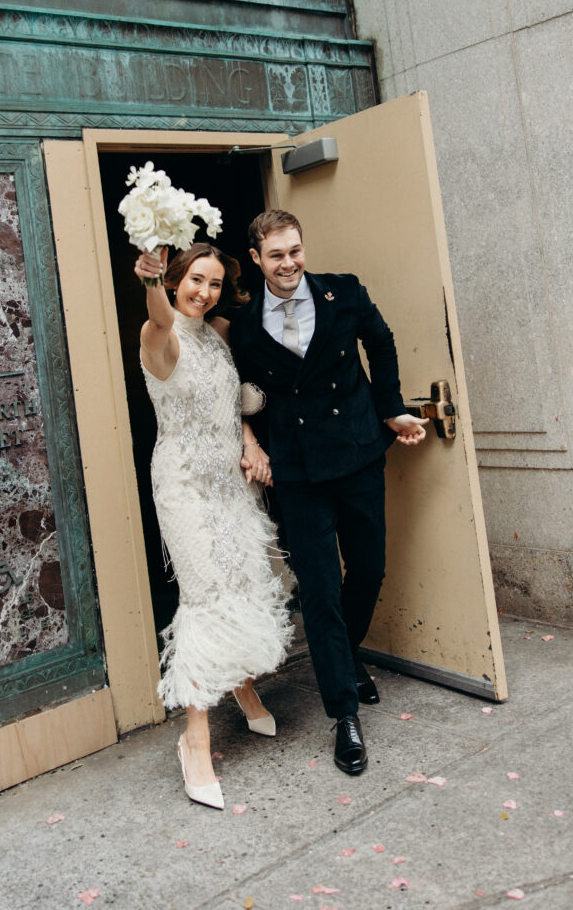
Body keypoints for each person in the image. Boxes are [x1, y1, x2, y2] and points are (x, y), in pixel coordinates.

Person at [230, 210, 428, 776]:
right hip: (297, 473)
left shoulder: (345, 292)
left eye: (295, 250)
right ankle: (343, 711)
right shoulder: (244, 327)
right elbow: (237, 395)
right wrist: (254, 442)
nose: (289, 263)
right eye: (276, 255)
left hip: (359, 452)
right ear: (257, 259)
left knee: (368, 571)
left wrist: (390, 408)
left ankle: (345, 657)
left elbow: (381, 342)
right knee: (318, 592)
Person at [135, 241, 292, 810]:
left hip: (231, 482)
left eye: (215, 283)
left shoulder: (220, 333)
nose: (204, 292)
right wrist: (150, 280)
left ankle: (243, 682)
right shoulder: (162, 334)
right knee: (205, 595)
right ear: (176, 279)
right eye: (195, 280)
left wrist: (250, 443)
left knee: (244, 579)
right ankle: (195, 741)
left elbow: (233, 406)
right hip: (184, 486)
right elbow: (158, 315)